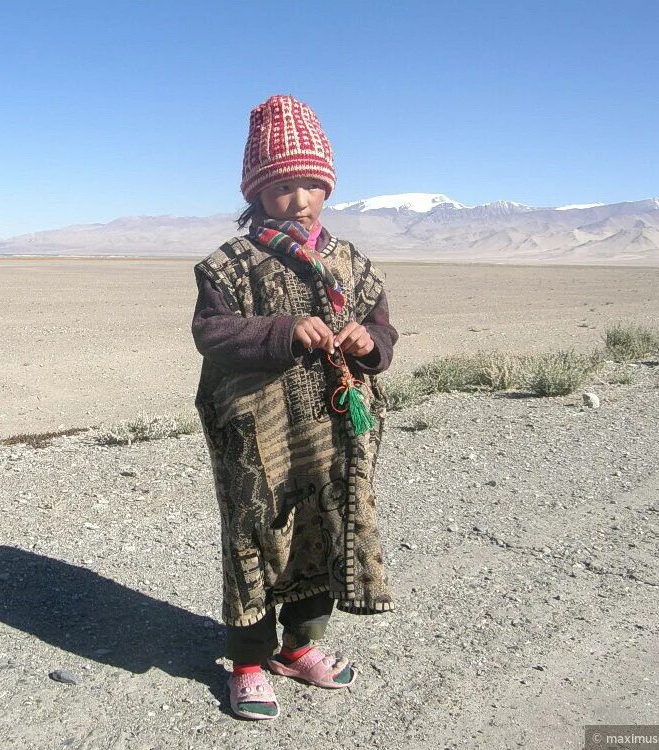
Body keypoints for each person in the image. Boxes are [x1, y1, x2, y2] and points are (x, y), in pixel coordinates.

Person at [190, 94, 399, 721]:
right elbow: (211, 334)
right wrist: (283, 331)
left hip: (333, 432)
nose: (299, 199)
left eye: (311, 183)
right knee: (256, 538)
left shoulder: (352, 263)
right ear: (256, 193)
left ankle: (298, 648)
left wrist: (370, 344)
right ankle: (248, 664)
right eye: (282, 186)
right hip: (256, 438)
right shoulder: (228, 267)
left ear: (328, 187)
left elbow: (383, 328)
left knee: (323, 529)